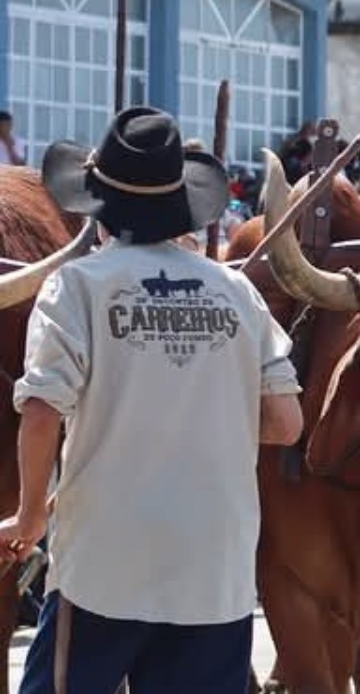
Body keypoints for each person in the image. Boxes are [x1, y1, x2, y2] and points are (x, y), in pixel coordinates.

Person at [0, 106, 304, 693]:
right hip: (214, 568)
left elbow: (41, 410)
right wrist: (200, 415)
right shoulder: (235, 290)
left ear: (98, 206)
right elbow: (286, 423)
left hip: (103, 563)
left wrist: (31, 514)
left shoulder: (78, 285)